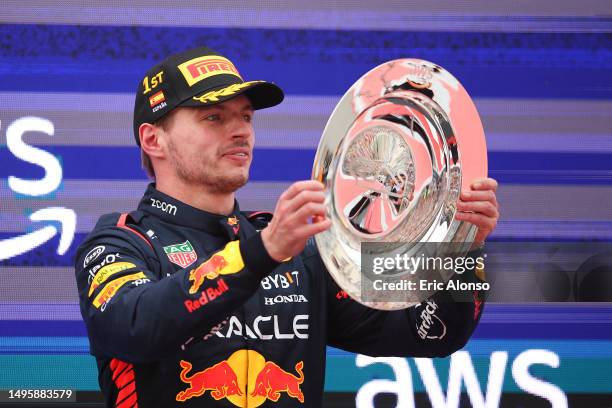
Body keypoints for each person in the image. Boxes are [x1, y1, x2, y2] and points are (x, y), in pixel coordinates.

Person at [75, 46, 499, 408]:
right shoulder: (121, 244)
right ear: (153, 140)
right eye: (213, 118)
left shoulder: (298, 253)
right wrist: (263, 251)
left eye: (245, 116)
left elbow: (430, 334)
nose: (240, 130)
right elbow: (135, 328)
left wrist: (458, 250)